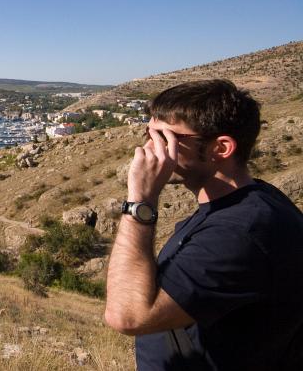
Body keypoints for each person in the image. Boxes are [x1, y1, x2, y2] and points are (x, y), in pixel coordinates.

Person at [105, 79, 303, 370]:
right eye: (148, 132)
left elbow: (127, 315)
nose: (147, 147)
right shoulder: (243, 205)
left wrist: (140, 200)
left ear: (220, 148)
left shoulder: (239, 232)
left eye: (164, 137)